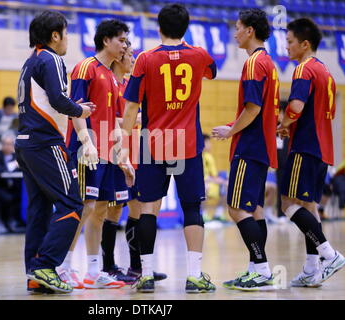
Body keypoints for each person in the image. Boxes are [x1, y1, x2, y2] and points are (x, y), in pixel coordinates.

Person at [120, 3, 217, 293]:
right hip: (187, 142)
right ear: (185, 28)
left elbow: (131, 106)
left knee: (148, 209)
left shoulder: (146, 59)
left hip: (154, 142)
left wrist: (122, 144)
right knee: (192, 208)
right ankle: (195, 275)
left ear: (159, 28)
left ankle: (146, 275)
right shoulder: (200, 55)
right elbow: (211, 71)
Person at [15, 10, 95, 294]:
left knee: (39, 208)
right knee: (72, 203)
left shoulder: (30, 61)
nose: (68, 39)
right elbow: (59, 100)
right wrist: (81, 109)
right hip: (45, 143)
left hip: (25, 142)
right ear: (55, 35)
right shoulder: (52, 59)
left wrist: (72, 106)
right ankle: (46, 265)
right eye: (66, 33)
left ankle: (35, 272)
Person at [60, 18, 131, 290]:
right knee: (83, 206)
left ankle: (92, 272)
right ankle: (64, 266)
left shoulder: (112, 76)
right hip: (85, 150)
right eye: (121, 40)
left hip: (106, 153)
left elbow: (113, 121)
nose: (124, 46)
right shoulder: (85, 68)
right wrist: (84, 140)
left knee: (101, 209)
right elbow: (75, 108)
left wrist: (121, 156)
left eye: (125, 41)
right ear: (106, 40)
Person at [212, 8, 279, 291]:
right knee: (255, 210)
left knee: (236, 209)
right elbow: (258, 112)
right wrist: (233, 125)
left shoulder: (253, 64)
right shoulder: (269, 63)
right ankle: (255, 269)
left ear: (250, 30)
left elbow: (253, 108)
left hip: (249, 147)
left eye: (238, 27)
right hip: (261, 147)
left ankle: (262, 270)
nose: (235, 32)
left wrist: (231, 130)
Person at [278, 18, 345, 287]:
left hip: (305, 146)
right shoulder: (325, 72)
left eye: (290, 42)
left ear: (304, 44)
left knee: (287, 203)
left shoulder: (304, 69)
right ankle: (311, 269)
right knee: (309, 207)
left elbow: (295, 105)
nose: (287, 48)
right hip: (323, 149)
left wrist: (283, 125)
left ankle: (329, 255)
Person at [100, 40, 167, 284]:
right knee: (113, 209)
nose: (133, 60)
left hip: (137, 153)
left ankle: (137, 267)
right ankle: (107, 266)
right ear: (120, 58)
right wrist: (133, 117)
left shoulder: (130, 84)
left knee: (137, 209)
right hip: (116, 153)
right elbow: (103, 119)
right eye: (130, 56)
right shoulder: (109, 83)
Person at [202, 134, 228, 224]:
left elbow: (214, 175)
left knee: (227, 185)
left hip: (210, 182)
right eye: (208, 143)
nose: (210, 145)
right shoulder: (197, 158)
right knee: (204, 187)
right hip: (200, 184)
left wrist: (222, 181)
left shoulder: (209, 157)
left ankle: (218, 214)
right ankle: (203, 214)